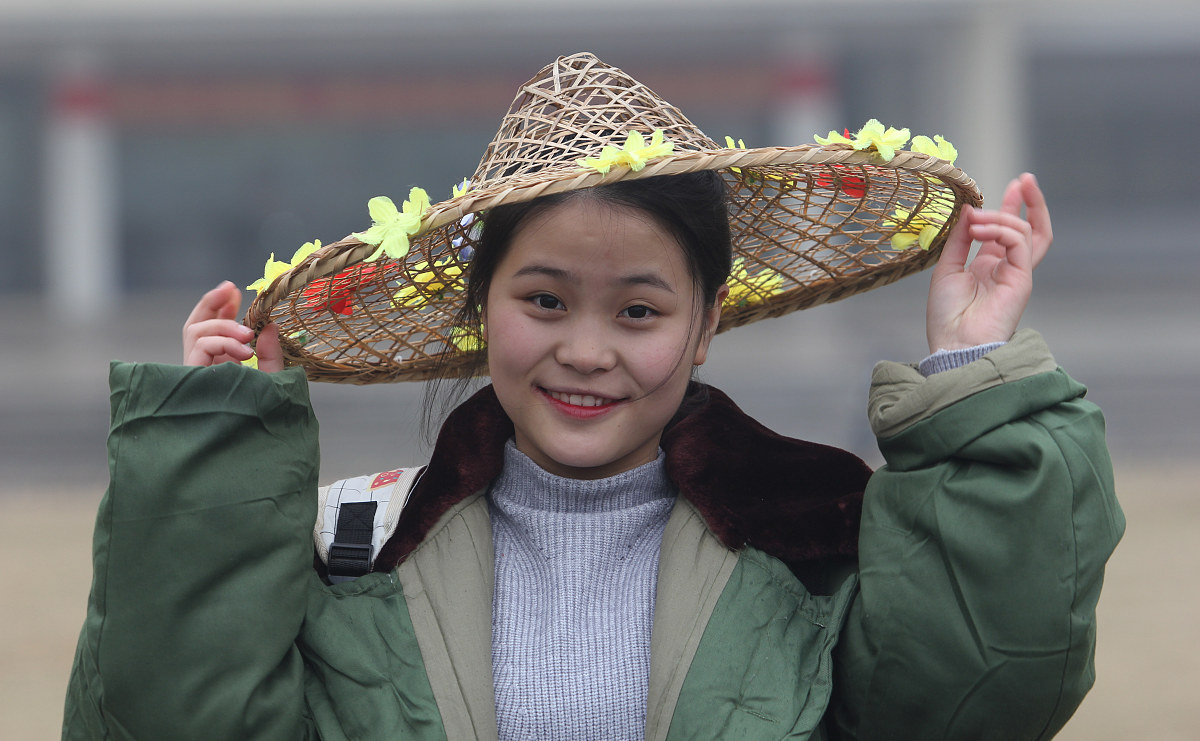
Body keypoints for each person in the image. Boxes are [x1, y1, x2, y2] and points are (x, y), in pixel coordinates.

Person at [64, 54, 1123, 741]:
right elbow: (165, 716)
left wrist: (966, 365)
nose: (584, 352)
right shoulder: (354, 544)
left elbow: (985, 694)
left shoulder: (819, 539)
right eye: (544, 299)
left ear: (707, 324)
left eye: (638, 313)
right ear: (482, 311)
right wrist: (218, 451)